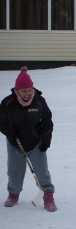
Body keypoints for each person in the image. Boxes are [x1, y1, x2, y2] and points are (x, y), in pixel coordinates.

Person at [0, 66, 57, 212]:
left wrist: (46, 139)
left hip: (35, 142)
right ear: (17, 90)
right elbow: (2, 121)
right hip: (15, 143)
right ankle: (13, 194)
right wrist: (9, 132)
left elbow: (47, 121)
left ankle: (48, 196)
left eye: (29, 90)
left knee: (42, 171)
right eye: (24, 90)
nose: (27, 93)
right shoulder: (8, 103)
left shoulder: (39, 101)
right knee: (14, 171)